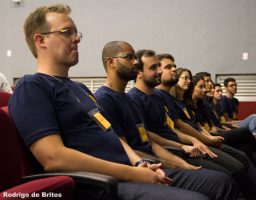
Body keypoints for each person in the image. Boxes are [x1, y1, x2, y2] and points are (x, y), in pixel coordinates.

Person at [8, 4, 210, 200]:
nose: (77, 38)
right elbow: (54, 158)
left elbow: (112, 135)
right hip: (99, 185)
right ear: (41, 40)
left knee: (218, 182)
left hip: (128, 172)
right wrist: (134, 173)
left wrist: (138, 162)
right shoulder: (32, 86)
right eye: (67, 32)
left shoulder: (80, 89)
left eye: (76, 33)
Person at [94, 41, 236, 200]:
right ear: (111, 62)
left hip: (160, 159)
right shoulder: (105, 99)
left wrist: (181, 163)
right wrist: (173, 163)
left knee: (224, 179)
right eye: (129, 57)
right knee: (222, 182)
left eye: (135, 58)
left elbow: (148, 140)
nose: (135, 62)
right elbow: (124, 150)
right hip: (145, 167)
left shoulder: (127, 99)